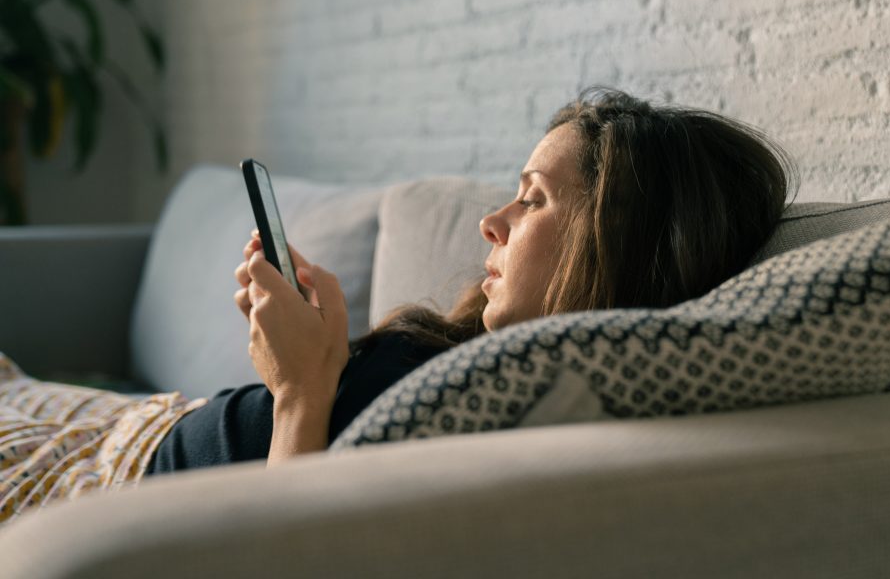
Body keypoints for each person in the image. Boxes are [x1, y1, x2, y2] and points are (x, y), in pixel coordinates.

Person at [0, 87, 797, 518]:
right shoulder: (474, 363)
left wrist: (297, 390)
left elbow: (271, 553)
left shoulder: (510, 413)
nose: (493, 221)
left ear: (615, 243)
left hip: (111, 485)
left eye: (533, 200)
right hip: (136, 427)